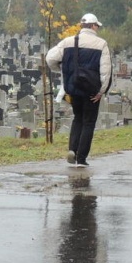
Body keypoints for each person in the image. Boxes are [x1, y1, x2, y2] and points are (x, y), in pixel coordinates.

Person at [46, 13, 112, 167]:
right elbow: (105, 71)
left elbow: (50, 58)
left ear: (82, 26)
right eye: (97, 26)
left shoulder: (68, 41)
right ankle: (81, 158)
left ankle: (72, 150)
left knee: (78, 118)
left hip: (73, 88)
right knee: (88, 122)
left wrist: (61, 71)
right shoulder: (101, 44)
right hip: (92, 90)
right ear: (94, 26)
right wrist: (101, 92)